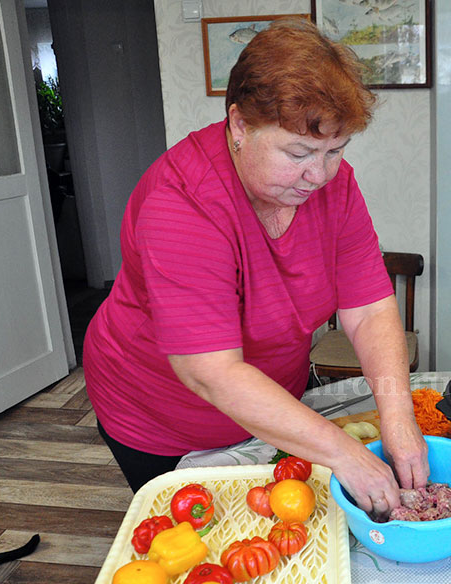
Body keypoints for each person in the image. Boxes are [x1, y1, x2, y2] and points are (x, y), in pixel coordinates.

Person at [83, 17, 428, 519]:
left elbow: (370, 308)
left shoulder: (334, 184)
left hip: (271, 408)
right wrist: (344, 453)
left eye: (335, 151)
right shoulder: (181, 202)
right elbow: (212, 372)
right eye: (299, 152)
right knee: (200, 542)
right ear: (240, 125)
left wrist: (398, 418)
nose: (319, 174)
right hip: (159, 415)